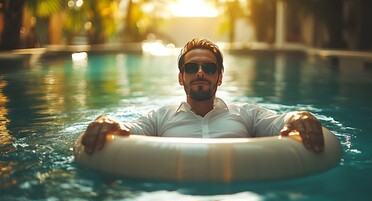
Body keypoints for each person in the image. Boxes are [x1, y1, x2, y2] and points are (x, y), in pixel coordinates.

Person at [81, 38, 324, 155]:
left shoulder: (246, 114)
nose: (200, 72)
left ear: (219, 77)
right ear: (180, 78)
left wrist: (298, 116)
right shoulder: (159, 118)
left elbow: (278, 122)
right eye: (191, 68)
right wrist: (109, 122)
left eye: (208, 68)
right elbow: (130, 128)